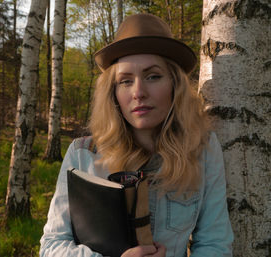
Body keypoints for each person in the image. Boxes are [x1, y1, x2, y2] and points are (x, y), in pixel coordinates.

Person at [40, 13, 233, 257]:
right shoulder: (82, 154)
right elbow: (52, 246)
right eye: (126, 81)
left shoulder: (202, 149)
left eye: (153, 76)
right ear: (113, 92)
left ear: (175, 85)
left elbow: (215, 244)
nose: (138, 92)